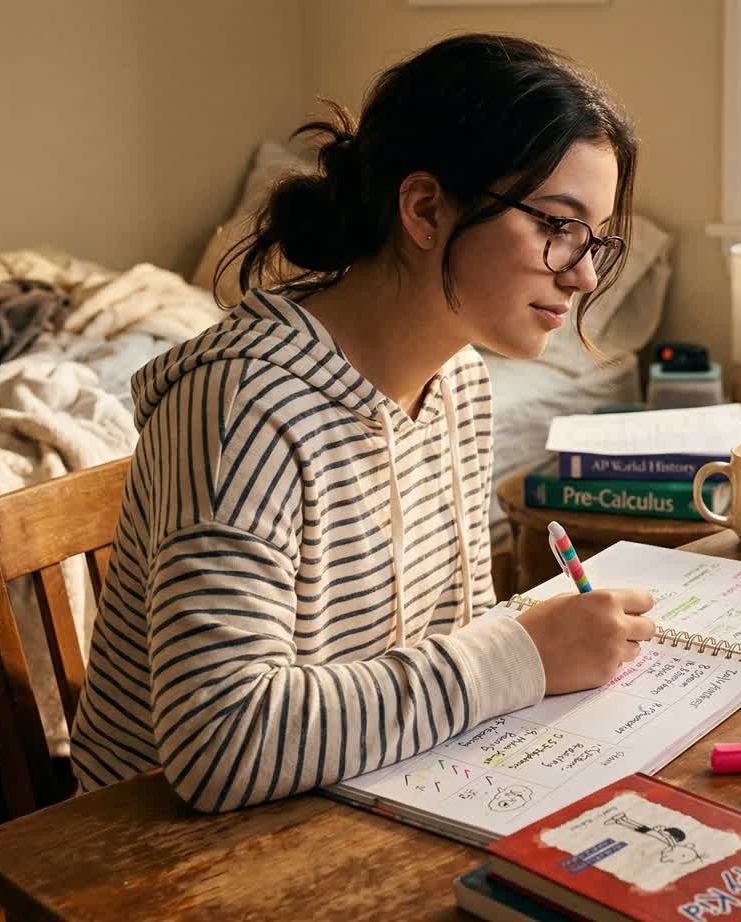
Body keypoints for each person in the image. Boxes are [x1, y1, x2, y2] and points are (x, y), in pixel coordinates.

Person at [70, 34, 658, 812]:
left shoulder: (460, 384)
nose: (582, 274)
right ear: (423, 208)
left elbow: (444, 646)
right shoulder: (243, 408)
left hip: (360, 798)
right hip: (160, 852)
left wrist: (522, 658)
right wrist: (519, 658)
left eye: (597, 238)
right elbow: (219, 744)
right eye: (556, 224)